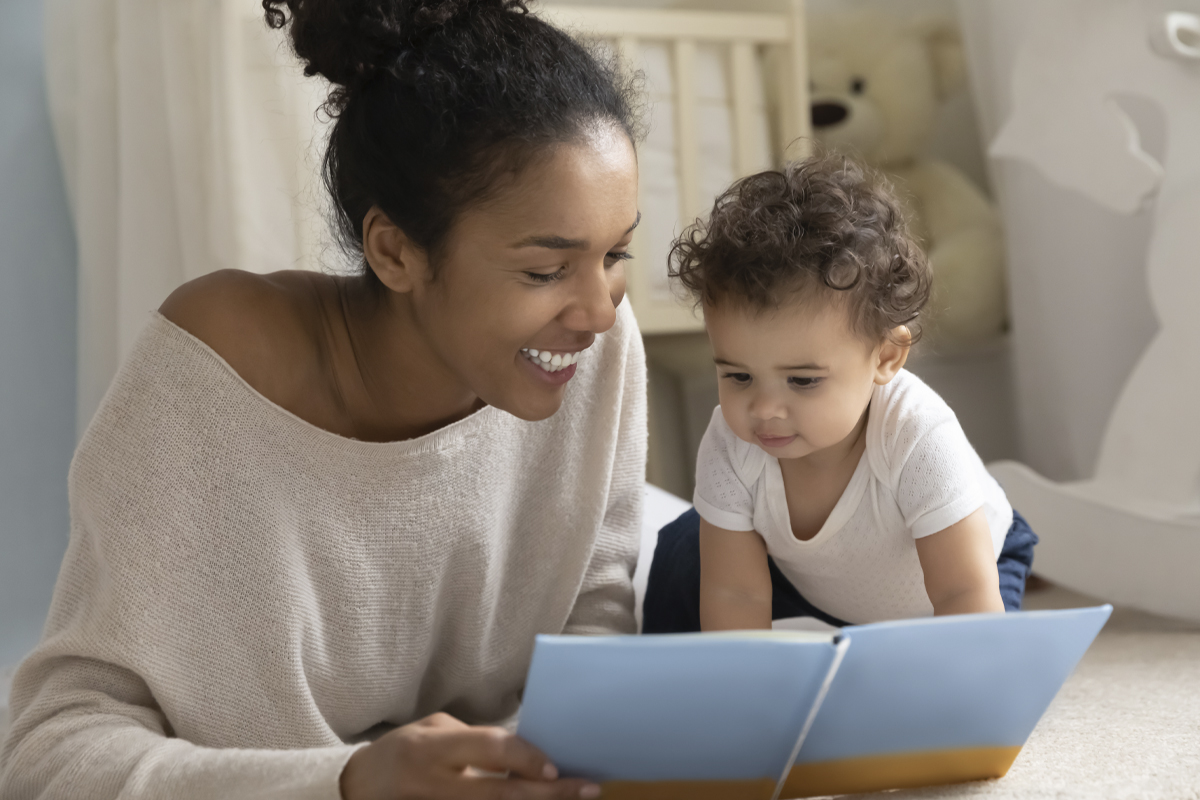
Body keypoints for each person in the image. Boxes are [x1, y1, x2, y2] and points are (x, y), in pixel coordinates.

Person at [0, 2, 646, 798]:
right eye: (545, 271)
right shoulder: (220, 366)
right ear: (394, 250)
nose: (598, 310)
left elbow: (598, 636)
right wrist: (347, 783)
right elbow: (46, 757)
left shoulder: (595, 349)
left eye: (616, 254)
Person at [641, 153, 1037, 634]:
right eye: (738, 376)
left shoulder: (916, 434)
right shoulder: (731, 443)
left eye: (803, 380)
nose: (764, 409)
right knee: (688, 544)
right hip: (819, 588)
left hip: (966, 580)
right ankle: (664, 674)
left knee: (946, 677)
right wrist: (745, 687)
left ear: (886, 357)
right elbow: (737, 593)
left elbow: (962, 592)